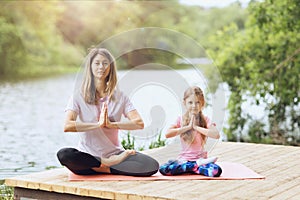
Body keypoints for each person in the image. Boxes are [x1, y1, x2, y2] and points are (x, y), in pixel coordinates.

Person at [57, 47, 159, 176]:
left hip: (116, 155)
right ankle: (104, 164)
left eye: (105, 63)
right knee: (65, 155)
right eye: (97, 63)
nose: (101, 67)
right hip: (88, 158)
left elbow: (139, 123)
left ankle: (104, 167)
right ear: (90, 67)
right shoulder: (78, 96)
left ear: (110, 68)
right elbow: (67, 125)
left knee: (151, 166)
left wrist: (111, 124)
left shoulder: (120, 96)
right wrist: (98, 124)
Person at [159, 86, 222, 177]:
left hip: (201, 160)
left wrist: (196, 127)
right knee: (163, 169)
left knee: (216, 171)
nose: (194, 106)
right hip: (184, 160)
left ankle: (190, 167)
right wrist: (187, 127)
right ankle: (195, 165)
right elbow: (167, 134)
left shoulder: (206, 119)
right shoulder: (180, 119)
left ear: (202, 103)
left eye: (197, 102)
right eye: (190, 102)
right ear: (184, 103)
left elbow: (216, 135)